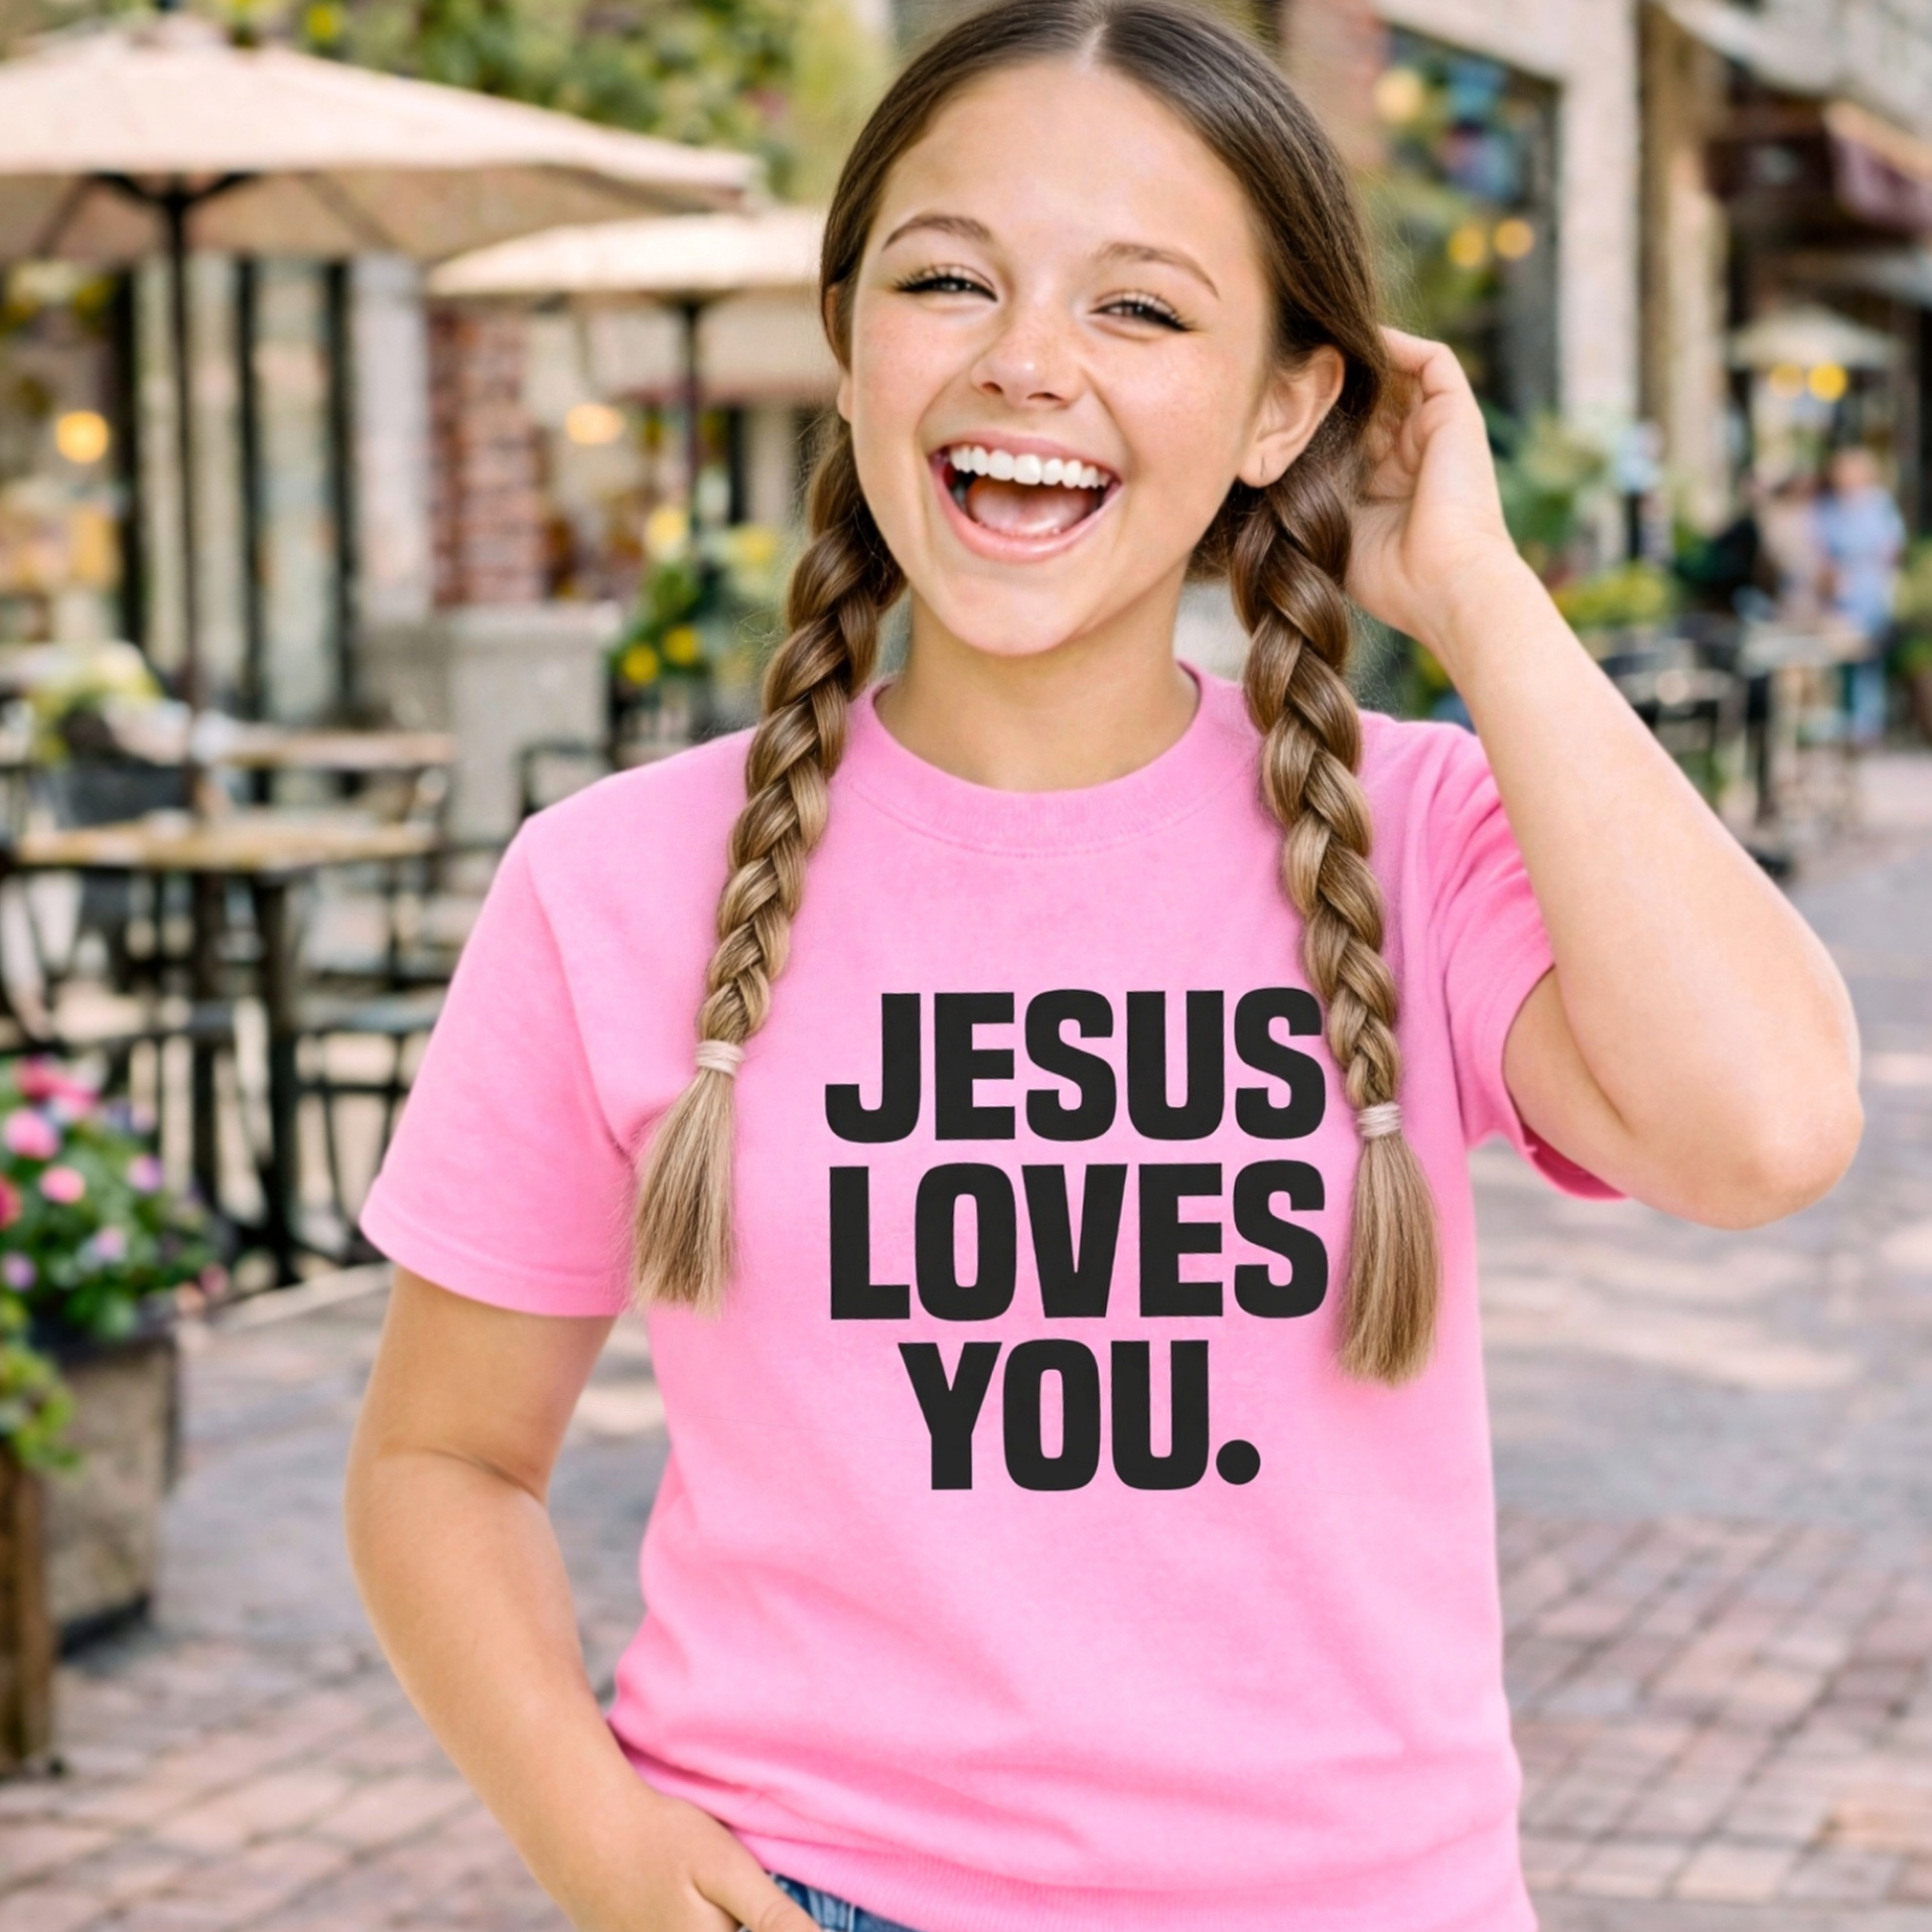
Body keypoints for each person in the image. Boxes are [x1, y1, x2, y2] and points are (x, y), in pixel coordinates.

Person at [343, 7, 1863, 1930]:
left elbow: (1770, 1128)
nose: (1024, 363)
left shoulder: (1417, 833)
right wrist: (600, 1839)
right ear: (848, 349)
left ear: (1281, 408)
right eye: (946, 278)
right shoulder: (612, 884)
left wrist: (1477, 593)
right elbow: (439, 1459)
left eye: (1139, 311)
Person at [1814, 444, 1905, 745]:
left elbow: (1891, 547)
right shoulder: (1829, 507)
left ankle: (1868, 725)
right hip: (1841, 593)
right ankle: (1846, 721)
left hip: (1870, 591)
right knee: (1843, 658)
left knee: (1870, 658)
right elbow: (1821, 549)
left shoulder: (1878, 504)